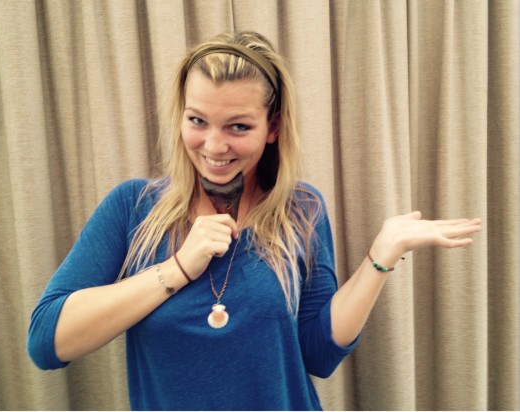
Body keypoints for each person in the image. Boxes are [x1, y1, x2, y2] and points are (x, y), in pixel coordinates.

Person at [27, 31, 482, 410]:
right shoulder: (133, 207)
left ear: (273, 128)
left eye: (238, 126)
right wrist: (178, 268)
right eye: (197, 120)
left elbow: (318, 355)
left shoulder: (302, 210)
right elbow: (47, 342)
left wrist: (380, 257)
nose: (213, 146)